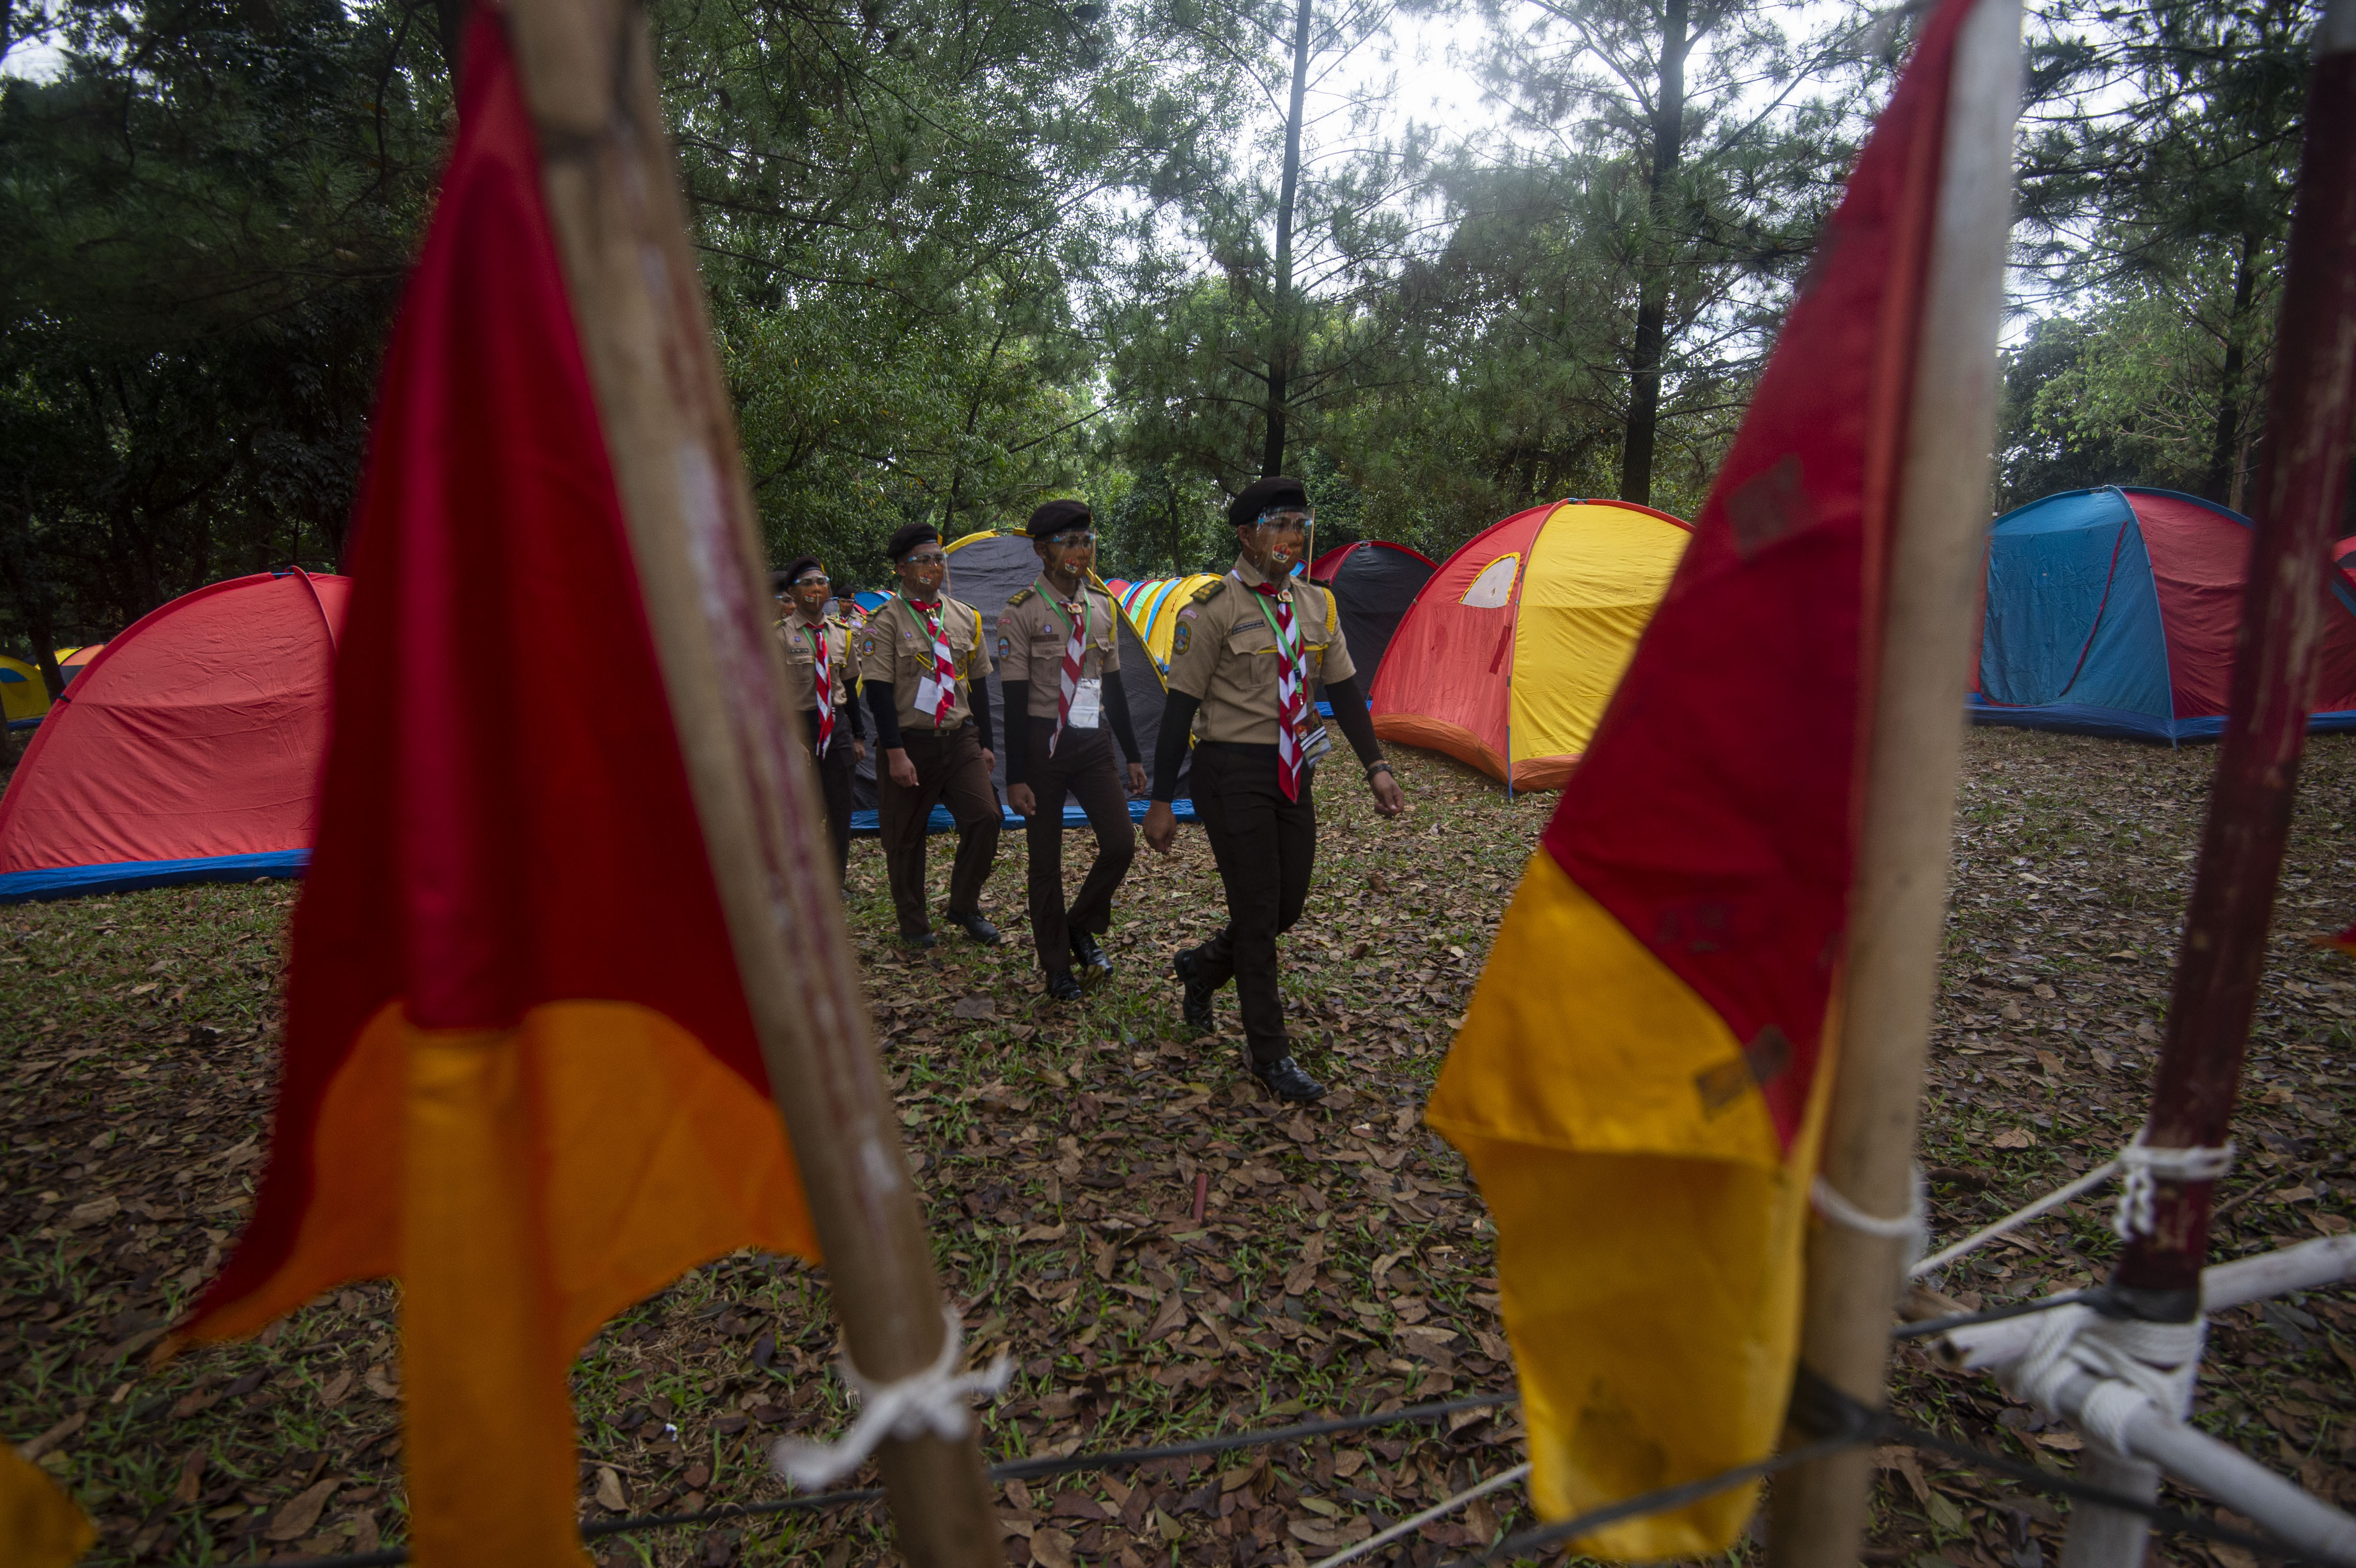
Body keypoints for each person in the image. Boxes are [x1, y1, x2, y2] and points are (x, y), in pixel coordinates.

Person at [1143, 476, 1407, 1101]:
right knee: (1258, 916)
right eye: (1280, 525)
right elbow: (1178, 709)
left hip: (1296, 769)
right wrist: (1160, 799)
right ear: (1246, 535)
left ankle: (1201, 967)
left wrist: (1376, 766)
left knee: (1284, 908)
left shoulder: (1318, 606)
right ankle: (1270, 1054)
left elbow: (1342, 689)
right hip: (1230, 770)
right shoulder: (1211, 610)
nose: (1294, 538)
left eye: (1300, 526)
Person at [996, 500, 1147, 1002]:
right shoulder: (1020, 613)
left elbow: (1116, 688)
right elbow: (1014, 704)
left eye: (1086, 540)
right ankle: (1057, 967)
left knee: (1121, 843)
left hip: (1092, 740)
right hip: (1042, 744)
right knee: (1045, 863)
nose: (1081, 551)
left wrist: (1131, 755)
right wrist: (1015, 776)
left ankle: (1080, 924)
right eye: (1069, 542)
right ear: (1042, 551)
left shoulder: (1103, 608)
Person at [861, 523, 1002, 949]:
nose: (935, 567)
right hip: (909, 740)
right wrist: (895, 753)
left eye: (939, 559)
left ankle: (963, 905)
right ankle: (914, 922)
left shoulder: (964, 616)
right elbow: (880, 694)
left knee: (986, 817)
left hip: (959, 737)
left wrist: (986, 743)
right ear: (902, 569)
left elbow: (976, 684)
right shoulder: (883, 623)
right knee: (904, 838)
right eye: (925, 560)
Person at [773, 558, 864, 883]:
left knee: (842, 806)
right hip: (799, 728)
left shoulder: (842, 634)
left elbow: (850, 687)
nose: (816, 589)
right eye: (807, 584)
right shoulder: (779, 637)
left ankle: (835, 880)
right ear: (793, 593)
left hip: (836, 724)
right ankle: (800, 876)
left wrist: (858, 735)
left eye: (821, 582)